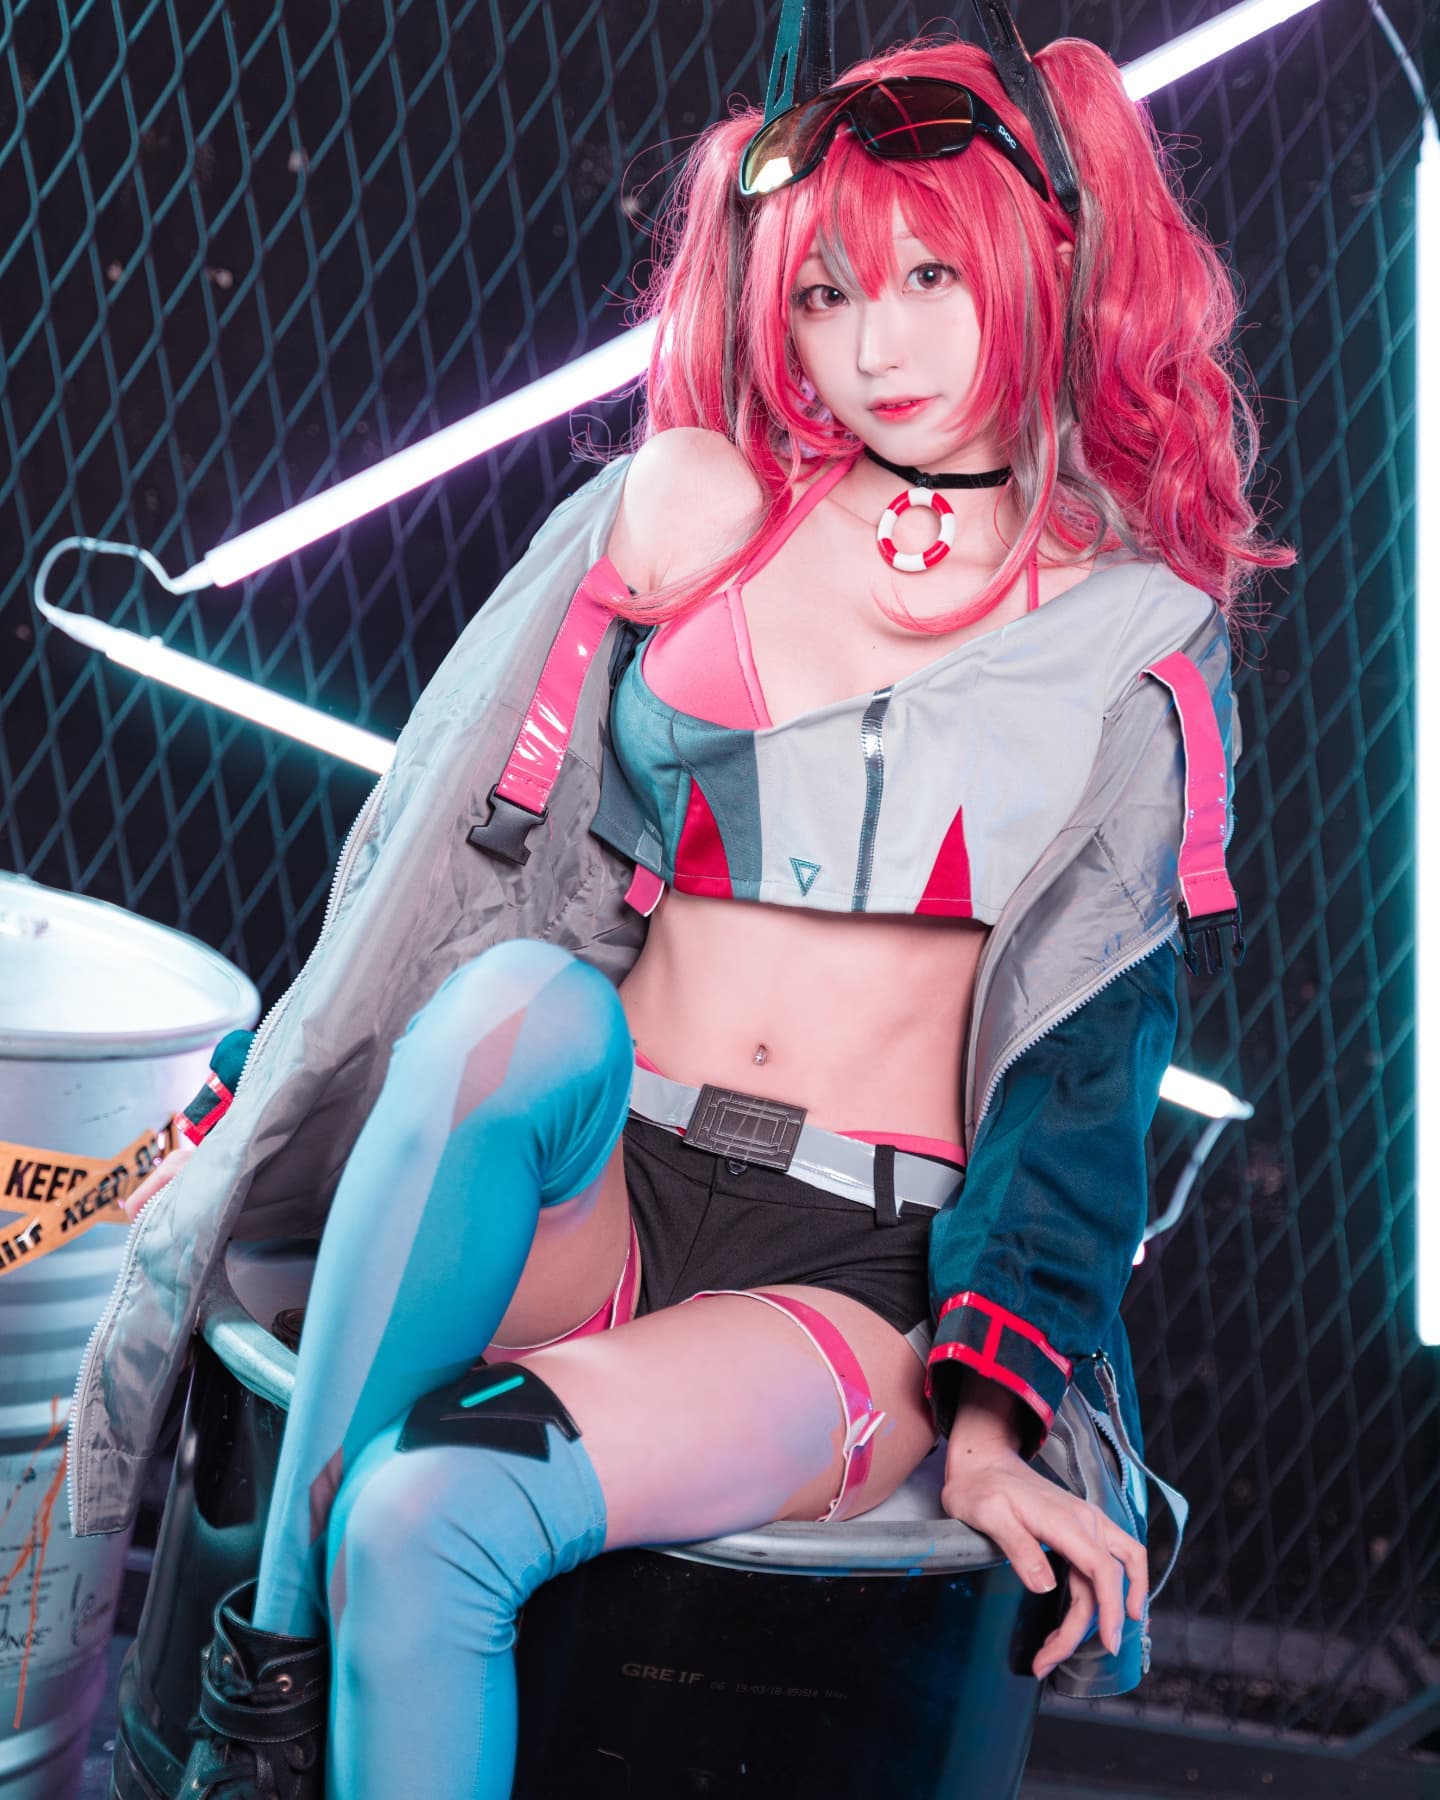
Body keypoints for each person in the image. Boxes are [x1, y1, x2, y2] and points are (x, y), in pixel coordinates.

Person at [77, 19, 1290, 1800]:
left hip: (841, 1268)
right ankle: (260, 1702)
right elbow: (481, 862)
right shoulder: (708, 518)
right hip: (600, 1175)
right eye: (825, 295)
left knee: (429, 1515)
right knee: (514, 1010)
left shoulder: (1136, 641)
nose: (874, 348)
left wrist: (990, 1427)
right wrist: (654, 539)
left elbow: (1085, 1067)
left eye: (931, 279)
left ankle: (275, 1679)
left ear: (1046, 264)